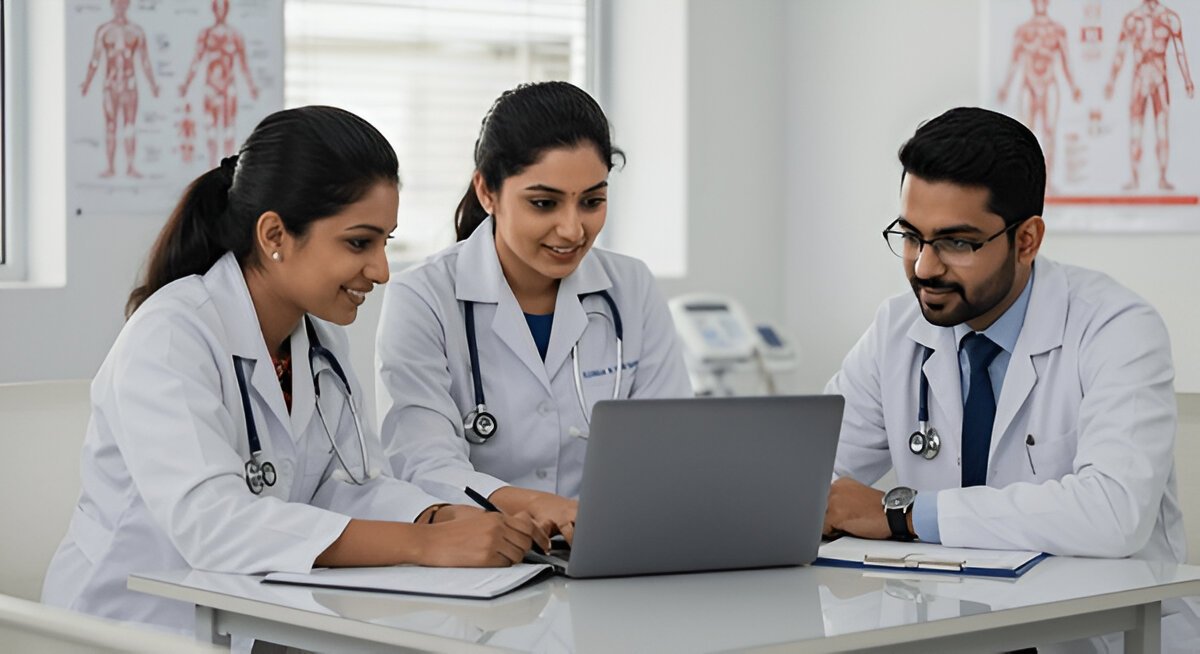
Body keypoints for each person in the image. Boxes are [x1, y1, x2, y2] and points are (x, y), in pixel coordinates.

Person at [42, 106, 543, 635]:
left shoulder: (318, 339)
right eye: (358, 242)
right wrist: (425, 544)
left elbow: (345, 485)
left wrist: (435, 516)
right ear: (275, 234)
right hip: (124, 630)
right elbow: (214, 525)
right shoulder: (170, 335)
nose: (381, 270)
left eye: (385, 242)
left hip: (247, 621)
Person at [823, 107, 1192, 651]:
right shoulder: (897, 329)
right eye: (911, 236)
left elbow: (1114, 515)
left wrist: (899, 514)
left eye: (956, 243)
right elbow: (806, 478)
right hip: (951, 631)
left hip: (1105, 638)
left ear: (1027, 240)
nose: (924, 266)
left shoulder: (1115, 328)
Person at [376, 81, 692, 543]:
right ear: (487, 191)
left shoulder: (630, 287)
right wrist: (542, 507)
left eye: (592, 201)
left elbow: (671, 445)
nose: (572, 228)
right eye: (543, 203)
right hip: (481, 561)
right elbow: (424, 465)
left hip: (615, 549)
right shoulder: (423, 297)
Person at [1105, 0, 1195, 191]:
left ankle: (1162, 177)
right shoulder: (1132, 19)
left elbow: (1180, 51)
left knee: (1162, 128)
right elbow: (1121, 52)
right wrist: (1111, 80)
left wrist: (1187, 79)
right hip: (1140, 78)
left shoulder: (1169, 18)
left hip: (1159, 78)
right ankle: (1135, 177)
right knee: (1136, 128)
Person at [80, 0, 160, 178]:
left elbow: (145, 61)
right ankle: (111, 167)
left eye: (123, 3)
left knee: (130, 126)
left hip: (129, 85)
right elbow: (95, 59)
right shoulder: (104, 30)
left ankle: (130, 166)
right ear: (112, 4)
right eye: (117, 3)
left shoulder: (136, 31)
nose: (120, 6)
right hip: (110, 85)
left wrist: (153, 84)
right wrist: (86, 83)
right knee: (110, 126)